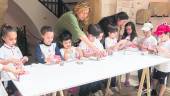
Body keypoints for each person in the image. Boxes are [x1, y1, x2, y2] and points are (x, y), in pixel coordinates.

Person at [0, 24, 28, 95]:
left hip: (18, 75)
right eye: (11, 39)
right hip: (8, 78)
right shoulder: (2, 50)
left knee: (20, 92)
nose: (14, 41)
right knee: (12, 93)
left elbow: (20, 60)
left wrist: (24, 59)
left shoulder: (16, 48)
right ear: (3, 38)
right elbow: (0, 62)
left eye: (15, 39)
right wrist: (9, 60)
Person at [137, 22, 157, 90]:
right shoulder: (143, 38)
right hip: (142, 57)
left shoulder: (153, 39)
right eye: (144, 32)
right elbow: (140, 47)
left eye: (147, 32)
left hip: (149, 59)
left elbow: (154, 50)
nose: (145, 33)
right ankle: (141, 85)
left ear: (151, 30)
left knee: (147, 73)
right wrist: (139, 46)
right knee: (139, 71)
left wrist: (146, 48)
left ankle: (148, 87)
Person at [151, 24, 170, 96]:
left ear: (167, 34)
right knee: (155, 78)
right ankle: (153, 91)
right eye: (158, 35)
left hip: (165, 67)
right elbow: (157, 51)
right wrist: (155, 49)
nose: (159, 37)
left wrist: (163, 50)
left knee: (163, 82)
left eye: (161, 36)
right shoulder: (160, 41)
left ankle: (160, 94)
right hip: (157, 65)